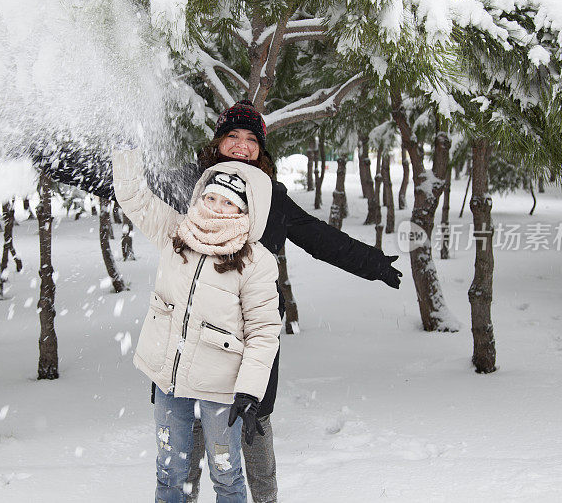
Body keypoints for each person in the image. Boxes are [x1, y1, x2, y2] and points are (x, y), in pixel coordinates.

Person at [33, 100, 403, 502]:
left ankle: (263, 498)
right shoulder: (195, 182)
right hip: (192, 334)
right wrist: (61, 163)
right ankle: (187, 493)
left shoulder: (273, 199)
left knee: (253, 422)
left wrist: (374, 264)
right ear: (218, 141)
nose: (242, 146)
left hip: (252, 336)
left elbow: (320, 238)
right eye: (233, 136)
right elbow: (131, 187)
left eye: (251, 139)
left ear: (262, 148)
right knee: (186, 424)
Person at [112, 145, 281, 502]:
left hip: (222, 389)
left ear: (247, 209)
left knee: (226, 474)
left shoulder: (256, 262)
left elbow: (264, 333)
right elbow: (133, 197)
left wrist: (249, 390)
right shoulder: (178, 233)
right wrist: (125, 148)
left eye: (229, 203)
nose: (217, 209)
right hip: (170, 382)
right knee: (169, 471)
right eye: (212, 198)